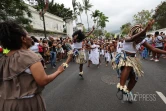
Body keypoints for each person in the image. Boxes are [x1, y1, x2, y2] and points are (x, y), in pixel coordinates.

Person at [0, 21, 65, 111]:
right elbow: (43, 80)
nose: (32, 38)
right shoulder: (30, 56)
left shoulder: (3, 59)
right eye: (29, 36)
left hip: (5, 104)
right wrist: (59, 71)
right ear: (23, 39)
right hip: (27, 104)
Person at [112, 20, 166, 102]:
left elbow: (153, 48)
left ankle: (127, 92)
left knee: (134, 79)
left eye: (141, 38)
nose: (139, 40)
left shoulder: (142, 40)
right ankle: (121, 87)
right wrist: (145, 29)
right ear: (134, 35)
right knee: (128, 66)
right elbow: (133, 38)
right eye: (138, 38)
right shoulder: (128, 38)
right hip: (124, 58)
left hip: (134, 59)